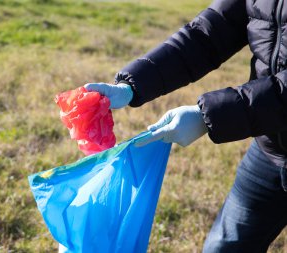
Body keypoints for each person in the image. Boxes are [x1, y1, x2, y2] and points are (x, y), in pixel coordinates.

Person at [84, 0, 287, 252]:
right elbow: (208, 33)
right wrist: (132, 86)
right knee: (223, 247)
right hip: (271, 151)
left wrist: (207, 117)